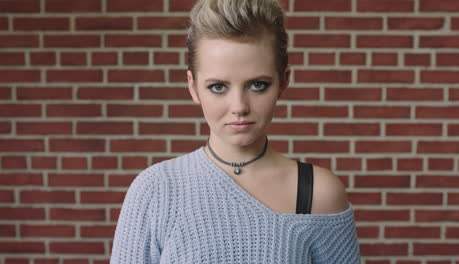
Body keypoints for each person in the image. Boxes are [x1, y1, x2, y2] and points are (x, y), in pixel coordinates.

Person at [110, 0, 361, 263]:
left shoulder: (318, 193)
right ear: (193, 87)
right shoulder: (155, 191)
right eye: (218, 87)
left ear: (283, 82)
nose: (239, 107)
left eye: (258, 85)